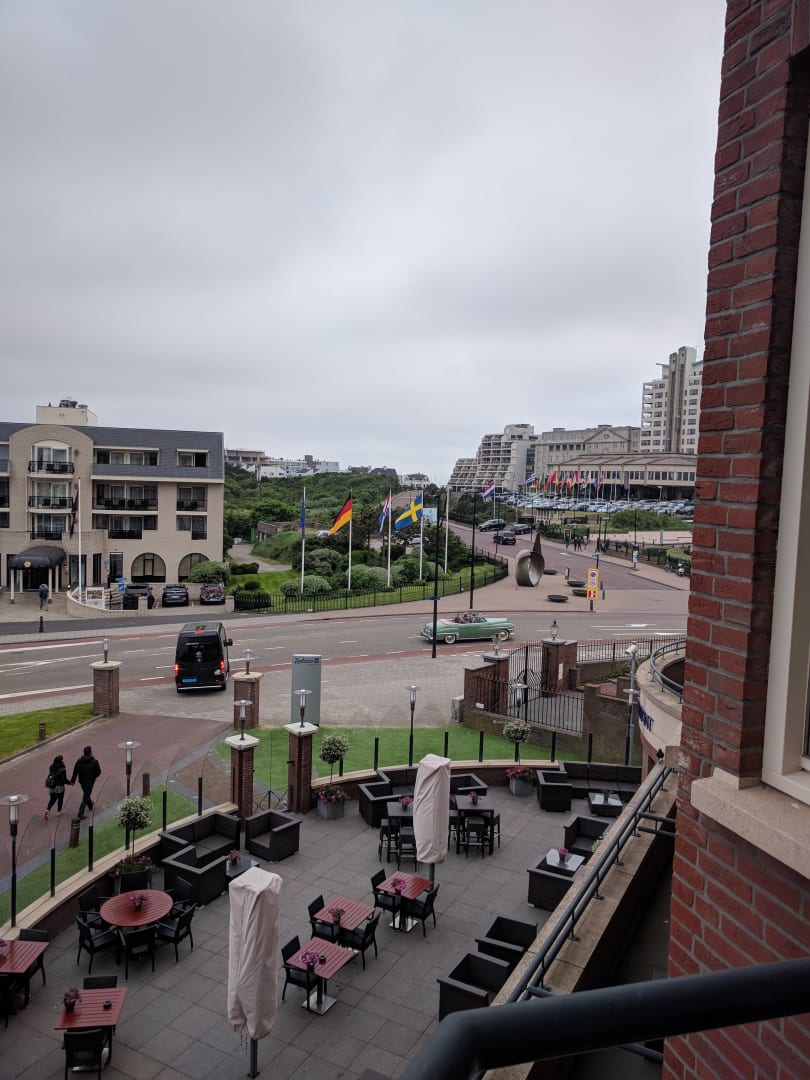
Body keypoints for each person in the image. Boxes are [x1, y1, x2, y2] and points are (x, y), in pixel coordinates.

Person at [70, 745, 102, 820]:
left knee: (86, 794)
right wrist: (93, 777)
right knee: (85, 796)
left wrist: (72, 781)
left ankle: (90, 805)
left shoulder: (79, 761)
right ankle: (80, 813)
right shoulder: (94, 762)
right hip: (90, 782)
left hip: (82, 781)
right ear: (90, 753)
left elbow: (75, 771)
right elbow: (98, 772)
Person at [44, 754, 71, 819]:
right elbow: (64, 779)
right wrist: (70, 783)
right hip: (59, 787)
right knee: (60, 799)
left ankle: (47, 810)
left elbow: (51, 775)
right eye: (62, 760)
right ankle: (59, 811)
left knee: (52, 799)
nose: (63, 761)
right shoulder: (62, 769)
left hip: (52, 786)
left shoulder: (51, 767)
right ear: (60, 761)